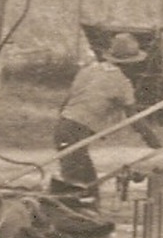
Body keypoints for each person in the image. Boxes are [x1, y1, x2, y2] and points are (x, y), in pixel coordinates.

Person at [53, 32, 154, 200]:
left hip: (63, 127)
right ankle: (70, 217)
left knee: (85, 183)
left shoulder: (89, 69)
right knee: (79, 185)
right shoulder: (122, 83)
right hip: (76, 132)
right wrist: (153, 141)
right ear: (131, 64)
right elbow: (135, 120)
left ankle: (79, 213)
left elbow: (66, 103)